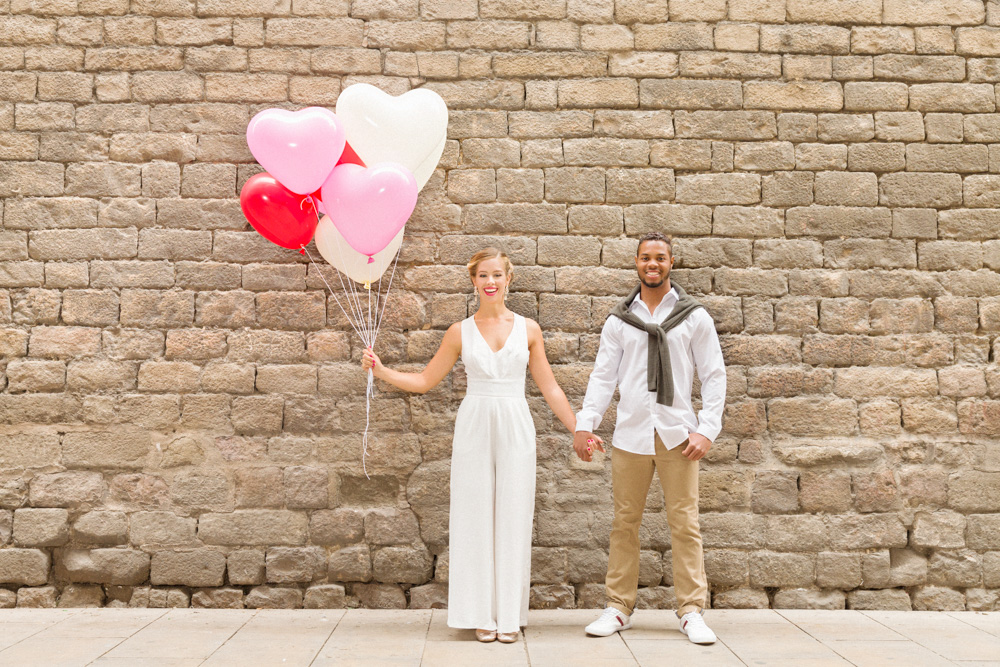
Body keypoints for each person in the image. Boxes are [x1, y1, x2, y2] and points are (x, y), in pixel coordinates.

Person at [362, 248, 585, 644]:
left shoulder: (529, 329)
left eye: (496, 275)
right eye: (483, 276)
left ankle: (508, 616)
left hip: (515, 422)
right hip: (475, 424)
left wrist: (578, 429)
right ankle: (481, 613)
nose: (490, 282)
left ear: (509, 278)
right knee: (474, 516)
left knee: (514, 515)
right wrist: (381, 370)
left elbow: (549, 387)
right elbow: (426, 381)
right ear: (473, 281)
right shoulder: (458, 332)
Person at [574, 232, 726, 645]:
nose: (652, 264)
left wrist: (707, 430)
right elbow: (603, 377)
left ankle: (691, 611)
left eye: (660, 258)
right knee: (624, 523)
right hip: (631, 435)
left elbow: (714, 376)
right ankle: (618, 606)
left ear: (671, 262)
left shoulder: (695, 317)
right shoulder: (619, 320)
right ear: (637, 263)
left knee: (685, 524)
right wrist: (585, 424)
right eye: (645, 258)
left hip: (680, 435)